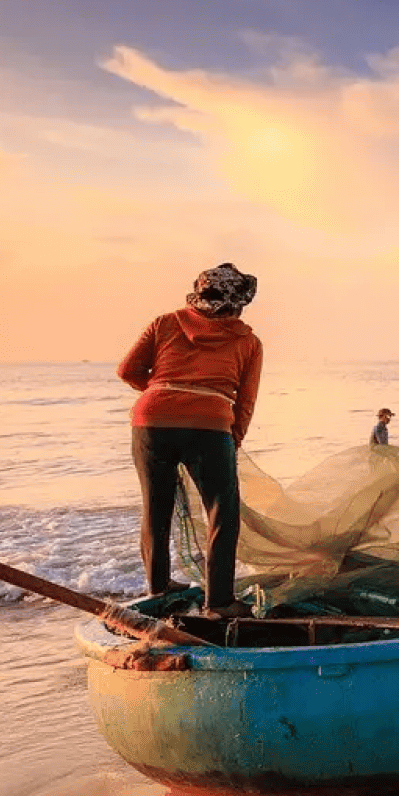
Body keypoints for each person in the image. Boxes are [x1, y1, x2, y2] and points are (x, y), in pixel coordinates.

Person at [116, 262, 263, 619]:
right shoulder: (248, 341)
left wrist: (161, 393)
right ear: (238, 301)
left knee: (155, 507)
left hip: (151, 421)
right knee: (221, 512)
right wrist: (234, 439)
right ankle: (220, 602)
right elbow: (245, 401)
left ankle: (159, 588)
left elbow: (127, 370)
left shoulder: (164, 323)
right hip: (209, 425)